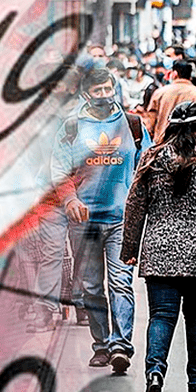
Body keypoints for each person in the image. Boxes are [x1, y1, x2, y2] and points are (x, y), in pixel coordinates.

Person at [122, 101, 196, 392]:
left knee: (161, 316)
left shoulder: (151, 158)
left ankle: (155, 375)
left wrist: (129, 248)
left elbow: (135, 206)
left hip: (159, 250)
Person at [52, 67, 151, 374]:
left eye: (109, 89)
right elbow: (59, 171)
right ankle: (102, 345)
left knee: (121, 283)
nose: (106, 95)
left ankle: (121, 345)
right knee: (92, 287)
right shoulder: (72, 127)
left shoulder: (132, 124)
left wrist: (142, 205)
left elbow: (145, 166)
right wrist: (70, 199)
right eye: (99, 91)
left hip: (121, 220)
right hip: (84, 223)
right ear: (86, 95)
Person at [146, 61, 196, 143]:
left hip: (162, 143)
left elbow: (150, 123)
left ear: (174, 74)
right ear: (190, 76)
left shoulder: (160, 93)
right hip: (191, 145)